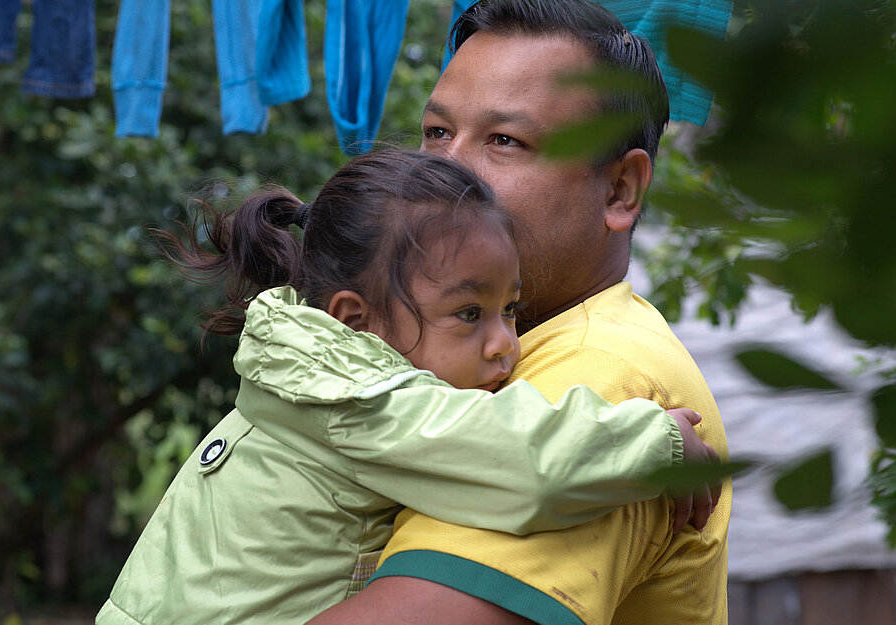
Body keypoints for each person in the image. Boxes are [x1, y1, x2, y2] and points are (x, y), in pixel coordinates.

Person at [97, 150, 717, 625]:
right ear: (354, 320)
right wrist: (654, 443)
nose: (508, 343)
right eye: (470, 315)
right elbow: (519, 464)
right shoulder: (361, 403)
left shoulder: (300, 367)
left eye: (512, 310)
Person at [294, 1, 732, 624]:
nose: (439, 173)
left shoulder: (596, 388)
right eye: (438, 133)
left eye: (506, 140)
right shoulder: (473, 358)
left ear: (619, 190)